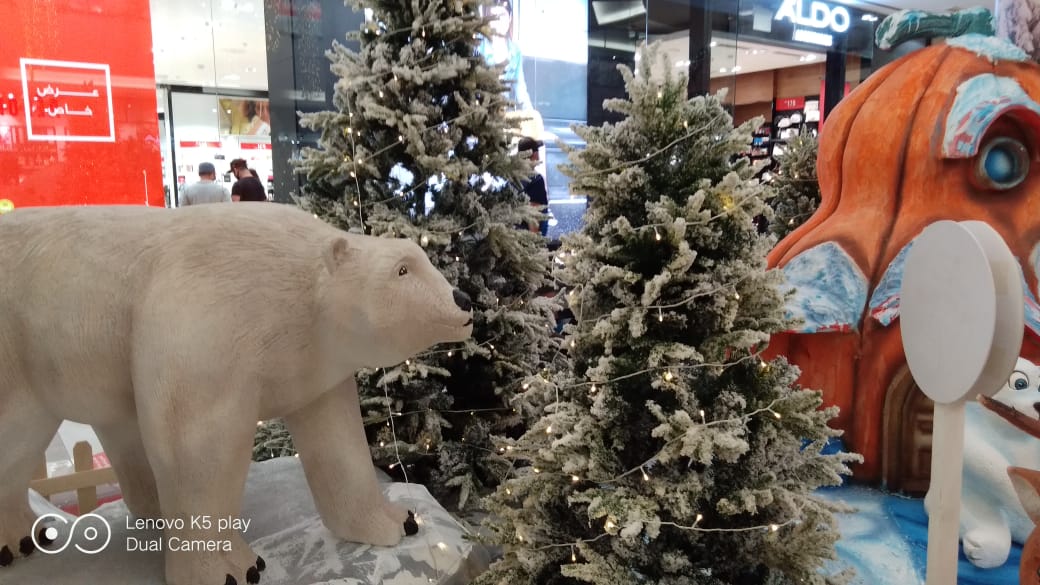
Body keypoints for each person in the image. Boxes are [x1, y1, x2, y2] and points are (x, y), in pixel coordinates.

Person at [479, 0, 534, 112]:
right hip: (479, 112)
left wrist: (531, 115)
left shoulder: (515, 52)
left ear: (510, 18)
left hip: (502, 113)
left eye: (503, 15)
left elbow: (521, 90)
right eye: (495, 17)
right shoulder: (480, 47)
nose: (499, 21)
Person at [518, 136, 549, 236]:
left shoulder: (513, 178)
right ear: (535, 154)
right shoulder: (536, 179)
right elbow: (533, 212)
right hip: (529, 237)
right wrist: (535, 240)